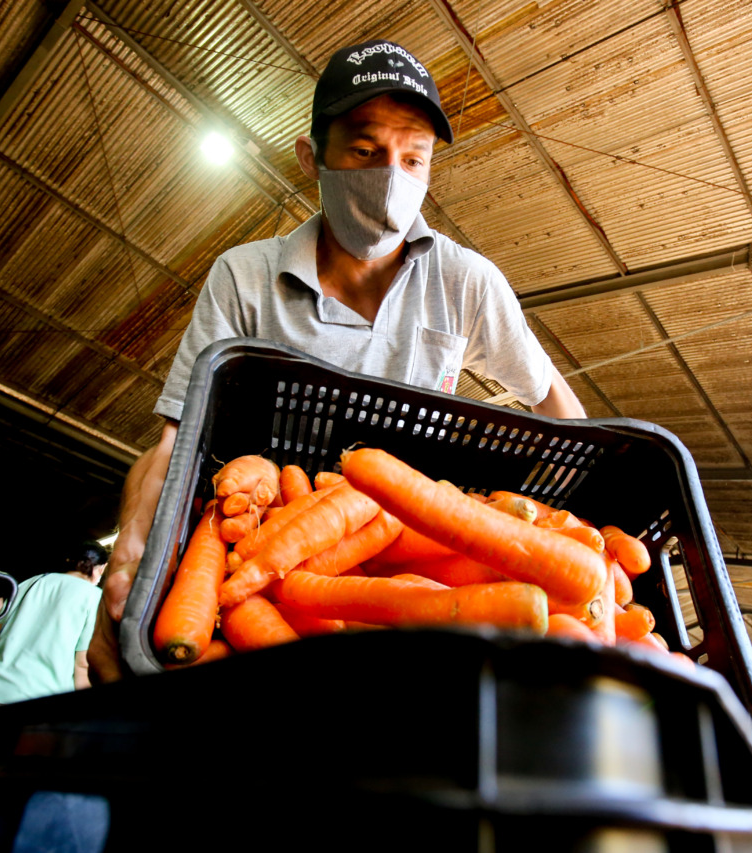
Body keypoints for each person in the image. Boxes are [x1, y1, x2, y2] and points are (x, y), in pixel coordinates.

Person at [88, 39, 587, 682]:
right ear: (310, 157)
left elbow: (553, 403)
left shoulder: (466, 281)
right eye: (364, 150)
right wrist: (128, 553)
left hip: (404, 536)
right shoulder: (245, 275)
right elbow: (177, 439)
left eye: (414, 158)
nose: (391, 176)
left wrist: (571, 528)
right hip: (268, 520)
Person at [0, 540, 106, 817]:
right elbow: (80, 662)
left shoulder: (31, 583)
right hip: (39, 699)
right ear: (97, 568)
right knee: (15, 774)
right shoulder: (92, 597)